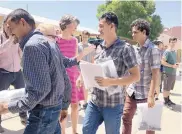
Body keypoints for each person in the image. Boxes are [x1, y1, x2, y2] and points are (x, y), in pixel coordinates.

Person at [0, 9, 94, 134]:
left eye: (11, 27)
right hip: (53, 110)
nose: (9, 32)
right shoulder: (50, 43)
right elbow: (63, 77)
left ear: (22, 22)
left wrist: (7, 107)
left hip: (42, 114)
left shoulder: (32, 46)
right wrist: (64, 105)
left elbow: (40, 90)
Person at [82, 12, 140, 134]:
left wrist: (110, 81)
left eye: (101, 26)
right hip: (95, 101)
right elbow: (94, 66)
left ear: (112, 26)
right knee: (86, 130)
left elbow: (135, 76)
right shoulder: (99, 47)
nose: (99, 29)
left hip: (113, 105)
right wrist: (81, 77)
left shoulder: (125, 48)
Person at [122, 19, 161, 134]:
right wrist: (126, 87)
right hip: (132, 91)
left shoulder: (153, 50)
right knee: (126, 118)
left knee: (149, 124)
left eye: (135, 32)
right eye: (132, 32)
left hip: (146, 93)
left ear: (144, 32)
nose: (133, 34)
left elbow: (155, 74)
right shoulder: (134, 49)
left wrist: (151, 96)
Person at [56, 14, 84, 134]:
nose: (76, 27)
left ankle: (74, 131)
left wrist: (80, 75)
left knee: (75, 105)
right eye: (74, 25)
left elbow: (76, 59)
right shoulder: (56, 39)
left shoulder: (75, 40)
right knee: (62, 108)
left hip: (73, 76)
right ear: (67, 25)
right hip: (60, 77)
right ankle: (62, 132)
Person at [0, 17, 27, 133]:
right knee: (1, 99)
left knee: (24, 94)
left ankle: (23, 116)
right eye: (8, 25)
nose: (10, 28)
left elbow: (19, 52)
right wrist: (10, 40)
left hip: (17, 72)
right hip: (4, 72)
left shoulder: (16, 37)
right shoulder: (1, 36)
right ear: (4, 25)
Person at [76, 30, 95, 110]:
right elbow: (76, 57)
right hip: (78, 68)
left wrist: (92, 67)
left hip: (87, 68)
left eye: (86, 37)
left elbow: (92, 59)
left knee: (86, 87)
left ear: (88, 37)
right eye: (83, 36)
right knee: (78, 86)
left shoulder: (91, 47)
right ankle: (79, 103)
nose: (84, 38)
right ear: (81, 36)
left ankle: (85, 103)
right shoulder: (77, 45)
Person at [161, 37, 179, 109]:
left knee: (169, 88)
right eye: (172, 42)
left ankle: (168, 100)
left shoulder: (174, 51)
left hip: (173, 73)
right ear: (169, 42)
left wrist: (176, 65)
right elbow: (162, 62)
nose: (173, 44)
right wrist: (172, 66)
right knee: (166, 88)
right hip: (167, 72)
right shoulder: (167, 52)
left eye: (175, 42)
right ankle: (165, 102)